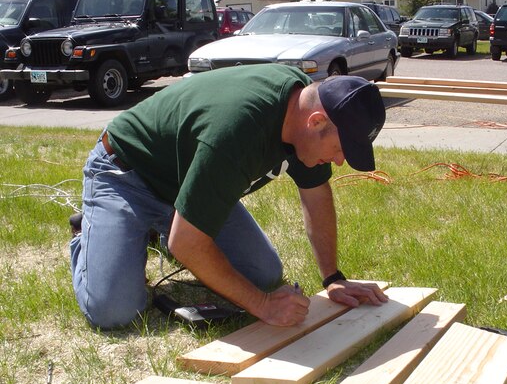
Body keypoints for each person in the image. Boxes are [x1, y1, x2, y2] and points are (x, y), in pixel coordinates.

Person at [70, 63, 389, 329]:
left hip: (186, 182)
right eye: (339, 149)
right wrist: (263, 306)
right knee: (114, 311)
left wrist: (332, 277)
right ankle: (89, 232)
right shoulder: (239, 129)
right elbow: (185, 245)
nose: (338, 162)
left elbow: (316, 194)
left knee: (263, 274)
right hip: (126, 175)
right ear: (316, 122)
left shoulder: (305, 108)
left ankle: (167, 225)